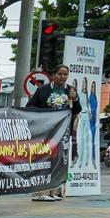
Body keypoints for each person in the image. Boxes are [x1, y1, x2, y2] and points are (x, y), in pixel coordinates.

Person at [27, 64, 80, 201]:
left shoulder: (70, 91)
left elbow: (76, 111)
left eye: (65, 74)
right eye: (60, 74)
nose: (63, 77)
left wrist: (75, 99)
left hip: (62, 132)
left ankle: (54, 192)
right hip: (46, 132)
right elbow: (30, 107)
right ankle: (40, 193)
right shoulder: (43, 90)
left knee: (58, 162)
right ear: (53, 75)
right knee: (44, 160)